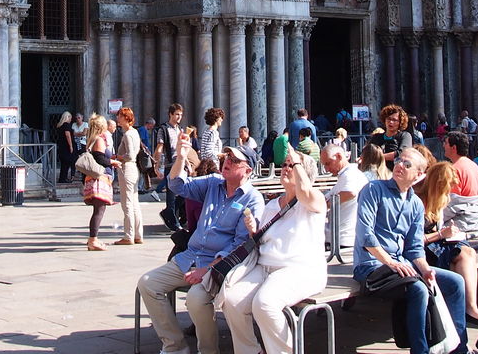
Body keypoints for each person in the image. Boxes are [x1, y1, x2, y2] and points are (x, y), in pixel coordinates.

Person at [353, 147, 478, 354]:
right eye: (398, 161)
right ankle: (420, 351)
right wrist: (391, 262)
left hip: (402, 265)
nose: (399, 166)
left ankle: (460, 349)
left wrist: (425, 269)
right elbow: (365, 235)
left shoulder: (415, 204)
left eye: (407, 164)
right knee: (418, 289)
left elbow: (414, 248)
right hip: (372, 265)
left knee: (455, 282)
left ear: (419, 174)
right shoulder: (373, 189)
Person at [137, 142, 262, 354]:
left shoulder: (252, 199)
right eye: (226, 157)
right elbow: (177, 186)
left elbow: (240, 246)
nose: (227, 162)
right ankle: (175, 347)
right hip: (191, 256)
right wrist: (180, 156)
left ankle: (208, 350)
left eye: (234, 160)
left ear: (248, 170)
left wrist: (207, 270)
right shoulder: (214, 182)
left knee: (195, 299)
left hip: (220, 267)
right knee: (148, 283)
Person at [221, 151, 328, 354]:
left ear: (304, 173)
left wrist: (297, 160)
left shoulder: (315, 200)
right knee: (231, 299)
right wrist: (253, 231)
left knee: (264, 304)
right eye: (285, 164)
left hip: (299, 269)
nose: (286, 168)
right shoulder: (272, 205)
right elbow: (264, 241)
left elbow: (304, 191)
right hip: (265, 267)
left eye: (292, 165)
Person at [414, 161, 478, 337]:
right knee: (460, 263)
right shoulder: (417, 202)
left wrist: (446, 233)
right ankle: (468, 313)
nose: (450, 192)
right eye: (448, 188)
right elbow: (413, 241)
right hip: (420, 252)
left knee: (466, 254)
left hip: (436, 245)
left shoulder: (440, 200)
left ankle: (467, 314)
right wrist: (441, 234)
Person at [321, 143, 366, 252]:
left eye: (328, 163)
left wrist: (324, 205)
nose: (326, 169)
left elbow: (350, 192)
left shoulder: (350, 174)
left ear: (339, 156)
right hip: (340, 238)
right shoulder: (347, 175)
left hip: (343, 240)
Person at [82, 114, 116, 251]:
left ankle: (93, 239)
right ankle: (93, 240)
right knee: (99, 210)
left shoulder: (92, 139)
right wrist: (113, 162)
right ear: (102, 126)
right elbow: (100, 158)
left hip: (94, 178)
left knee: (98, 209)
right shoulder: (99, 139)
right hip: (99, 179)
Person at [113, 108, 144, 245]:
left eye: (120, 116)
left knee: (127, 204)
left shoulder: (127, 135)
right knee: (134, 203)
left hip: (127, 169)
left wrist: (117, 157)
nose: (118, 118)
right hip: (133, 169)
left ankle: (128, 236)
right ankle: (138, 235)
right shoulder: (134, 132)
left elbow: (130, 155)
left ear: (126, 118)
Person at [153, 103, 186, 231]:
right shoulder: (163, 129)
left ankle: (170, 213)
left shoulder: (180, 129)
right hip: (170, 165)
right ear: (170, 114)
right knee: (171, 195)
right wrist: (157, 166)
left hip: (181, 164)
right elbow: (159, 148)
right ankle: (173, 221)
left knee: (184, 192)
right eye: (177, 114)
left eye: (181, 115)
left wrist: (188, 164)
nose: (179, 117)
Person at [54, 112, 75, 184]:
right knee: (67, 163)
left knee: (63, 163)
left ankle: (62, 178)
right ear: (67, 117)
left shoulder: (60, 125)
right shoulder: (66, 125)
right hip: (66, 146)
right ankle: (63, 178)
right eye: (70, 118)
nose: (70, 120)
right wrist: (71, 146)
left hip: (61, 146)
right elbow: (67, 135)